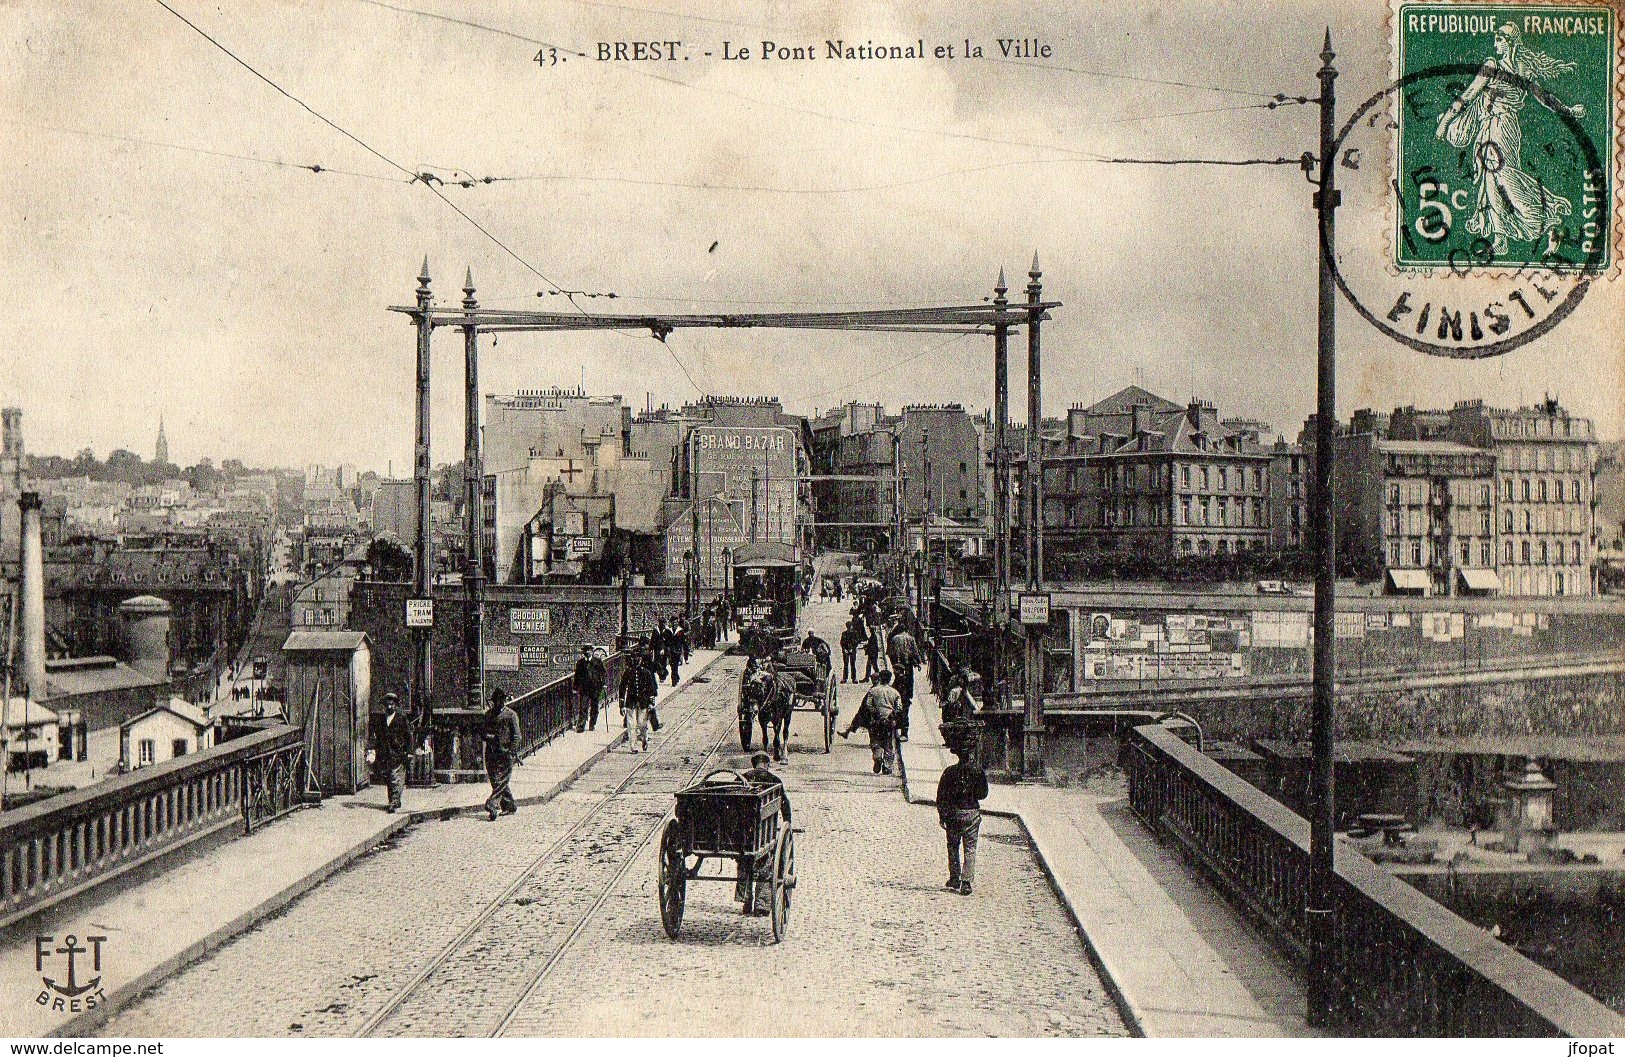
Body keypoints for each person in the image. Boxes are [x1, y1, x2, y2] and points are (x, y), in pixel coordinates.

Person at [735, 751, 791, 914]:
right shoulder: (775, 781)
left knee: (743, 861)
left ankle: (745, 900)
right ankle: (762, 904)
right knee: (765, 863)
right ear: (767, 765)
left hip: (743, 832)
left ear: (754, 764)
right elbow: (785, 806)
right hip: (763, 832)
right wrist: (788, 823)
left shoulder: (742, 778)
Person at [936, 744, 989, 895]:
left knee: (953, 845)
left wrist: (942, 815)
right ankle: (966, 882)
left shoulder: (949, 772)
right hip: (971, 812)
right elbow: (983, 794)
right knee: (970, 847)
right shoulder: (978, 771)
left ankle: (954, 877)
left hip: (954, 814)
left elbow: (941, 796)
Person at [841, 670, 902, 775]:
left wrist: (877, 714)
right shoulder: (895, 692)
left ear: (880, 678)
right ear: (889, 679)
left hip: (876, 721)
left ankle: (877, 758)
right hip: (889, 721)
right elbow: (899, 707)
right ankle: (887, 766)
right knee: (889, 744)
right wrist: (891, 715)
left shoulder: (873, 691)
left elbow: (869, 705)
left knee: (875, 741)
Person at [483, 688, 521, 821]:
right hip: (491, 753)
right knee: (496, 780)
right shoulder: (488, 715)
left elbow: (517, 736)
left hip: (506, 754)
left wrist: (512, 750)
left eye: (500, 700)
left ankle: (492, 804)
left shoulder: (511, 715)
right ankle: (509, 806)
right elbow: (483, 732)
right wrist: (489, 736)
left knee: (502, 781)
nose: (498, 703)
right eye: (496, 701)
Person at [377, 692, 415, 813]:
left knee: (395, 776)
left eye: (392, 705)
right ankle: (394, 800)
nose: (389, 707)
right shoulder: (382, 719)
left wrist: (409, 751)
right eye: (387, 705)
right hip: (386, 753)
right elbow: (379, 736)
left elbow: (409, 736)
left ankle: (394, 801)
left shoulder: (401, 717)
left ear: (396, 705)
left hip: (398, 752)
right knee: (389, 777)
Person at [887, 620, 921, 741]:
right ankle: (904, 731)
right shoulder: (910, 638)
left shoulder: (894, 639)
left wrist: (894, 663)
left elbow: (889, 652)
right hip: (907, 667)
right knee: (906, 695)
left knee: (898, 690)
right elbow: (915, 652)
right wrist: (918, 662)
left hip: (897, 665)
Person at [619, 649, 658, 753]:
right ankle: (633, 746)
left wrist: (651, 703)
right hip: (630, 702)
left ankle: (644, 739)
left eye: (639, 658)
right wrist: (621, 705)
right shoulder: (628, 672)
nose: (636, 660)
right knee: (631, 725)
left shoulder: (646, 673)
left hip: (643, 702)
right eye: (634, 658)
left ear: (641, 660)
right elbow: (622, 688)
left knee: (642, 724)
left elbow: (651, 689)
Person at [573, 644, 605, 733]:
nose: (587, 652)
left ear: (592, 651)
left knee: (594, 707)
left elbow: (603, 673)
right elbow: (577, 676)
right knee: (583, 707)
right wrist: (575, 687)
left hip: (595, 689)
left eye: (589, 650)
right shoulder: (580, 663)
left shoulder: (598, 662)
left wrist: (603, 684)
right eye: (585, 650)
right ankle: (581, 726)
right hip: (584, 689)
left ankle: (592, 724)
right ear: (583, 652)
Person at [839, 619, 862, 683]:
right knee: (845, 664)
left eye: (850, 626)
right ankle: (845, 678)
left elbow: (857, 642)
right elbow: (842, 642)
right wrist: (844, 649)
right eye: (848, 626)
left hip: (852, 651)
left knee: (853, 664)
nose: (849, 628)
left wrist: (852, 648)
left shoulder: (855, 633)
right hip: (846, 651)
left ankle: (854, 678)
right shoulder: (844, 633)